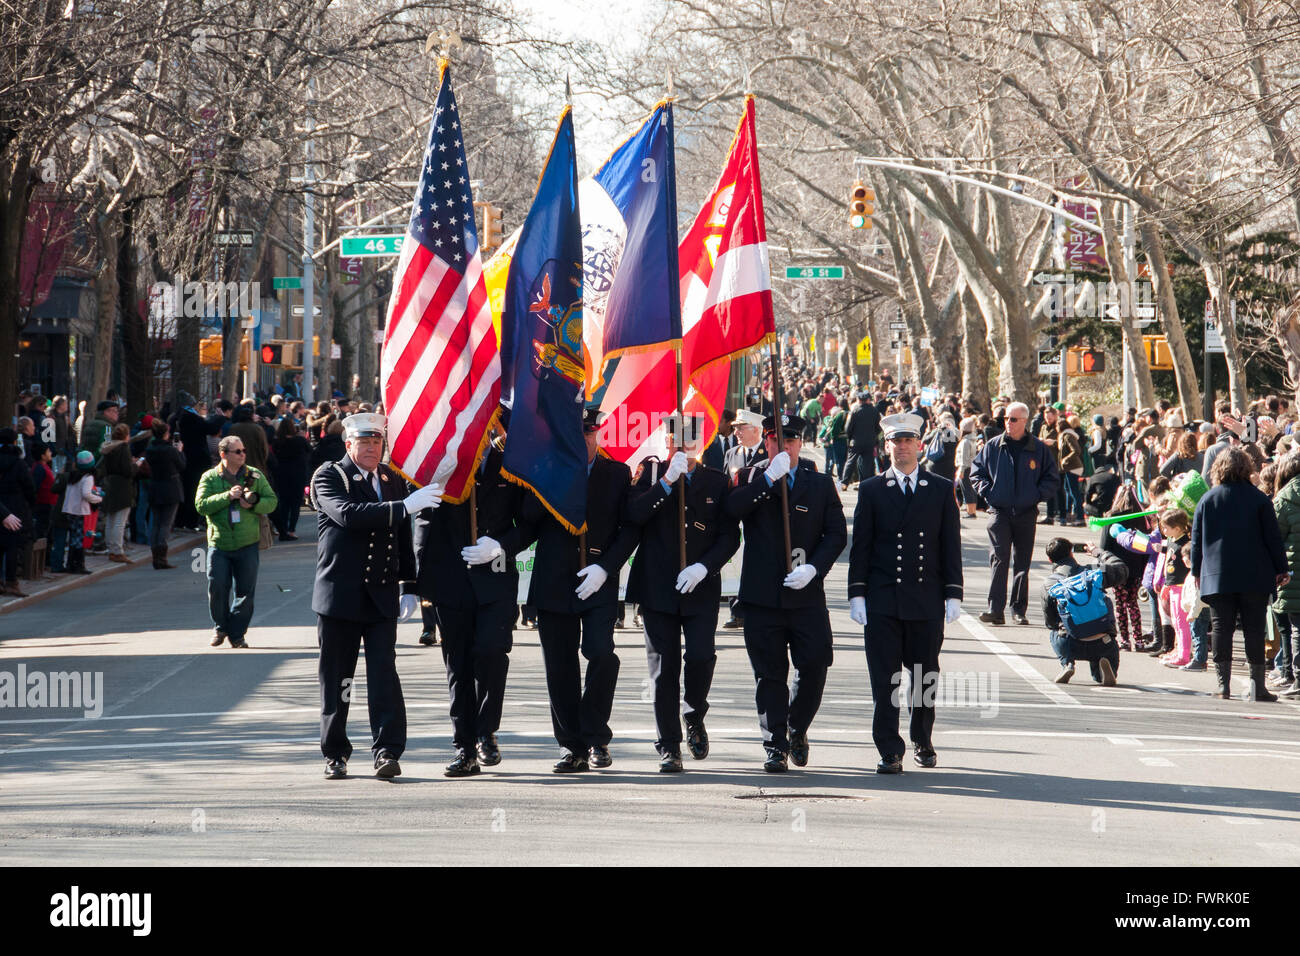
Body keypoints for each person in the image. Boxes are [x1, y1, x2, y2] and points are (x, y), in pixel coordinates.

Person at [312, 412, 436, 780]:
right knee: (339, 679)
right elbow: (348, 515)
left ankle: (387, 750)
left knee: (384, 675)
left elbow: (401, 538)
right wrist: (403, 508)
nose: (370, 448)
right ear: (348, 444)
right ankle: (335, 752)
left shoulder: (389, 478)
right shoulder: (329, 475)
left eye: (376, 442)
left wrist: (409, 585)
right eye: (363, 442)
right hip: (340, 596)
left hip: (380, 595)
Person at [516, 408, 639, 773]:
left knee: (601, 654)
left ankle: (596, 734)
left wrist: (606, 568)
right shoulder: (546, 471)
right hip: (554, 582)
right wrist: (555, 477)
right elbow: (528, 518)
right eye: (575, 434)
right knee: (560, 667)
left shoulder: (616, 473)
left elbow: (629, 529)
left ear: (597, 435)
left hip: (598, 580)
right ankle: (572, 746)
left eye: (588, 434)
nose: (583, 440)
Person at [724, 413, 847, 772]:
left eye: (791, 440)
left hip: (806, 596)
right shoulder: (749, 477)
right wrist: (768, 478)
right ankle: (775, 743)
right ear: (766, 442)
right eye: (776, 440)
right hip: (763, 597)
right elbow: (733, 510)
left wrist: (814, 568)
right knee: (769, 674)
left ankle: (797, 727)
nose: (784, 446)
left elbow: (836, 533)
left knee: (815, 664)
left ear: (800, 444)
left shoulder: (820, 484)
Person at [625, 413, 740, 772]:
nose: (682, 447)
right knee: (664, 668)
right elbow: (633, 515)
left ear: (700, 443)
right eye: (675, 440)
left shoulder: (716, 481)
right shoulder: (652, 473)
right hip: (657, 586)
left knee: (702, 656)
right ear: (666, 441)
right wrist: (666, 482)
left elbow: (729, 535)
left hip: (699, 586)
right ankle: (669, 745)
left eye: (689, 441)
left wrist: (704, 567)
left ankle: (694, 712)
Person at [848, 413, 963, 773]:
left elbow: (949, 545)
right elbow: (861, 547)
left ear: (920, 445)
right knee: (885, 680)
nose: (902, 447)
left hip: (925, 598)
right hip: (883, 600)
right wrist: (857, 594)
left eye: (908, 441)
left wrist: (953, 592)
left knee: (924, 676)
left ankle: (922, 739)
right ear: (886, 447)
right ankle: (888, 748)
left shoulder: (941, 489)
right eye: (895, 442)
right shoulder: (871, 489)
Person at [413, 408, 524, 777]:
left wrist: (502, 546)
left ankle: (487, 730)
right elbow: (422, 521)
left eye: (490, 422)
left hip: (495, 577)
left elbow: (531, 521)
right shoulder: (440, 462)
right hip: (451, 578)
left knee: (492, 652)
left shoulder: (511, 463)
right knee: (457, 664)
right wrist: (412, 583)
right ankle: (465, 746)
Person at [1191, 447, 1290, 701]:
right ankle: (1258, 687)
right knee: (1254, 630)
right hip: (1254, 574)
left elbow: (1196, 540)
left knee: (1221, 628)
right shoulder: (1259, 500)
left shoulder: (1208, 499)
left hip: (1217, 574)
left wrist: (1195, 571)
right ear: (1247, 468)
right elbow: (1273, 538)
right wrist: (1281, 568)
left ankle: (1223, 686)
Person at [969, 401, 1060, 625]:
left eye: (1012, 419)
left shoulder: (1038, 448)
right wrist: (989, 493)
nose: (1007, 423)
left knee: (1022, 563)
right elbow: (976, 473)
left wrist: (1036, 495)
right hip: (999, 512)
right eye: (1005, 419)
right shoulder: (993, 446)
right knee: (998, 560)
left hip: (1026, 513)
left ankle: (1018, 609)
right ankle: (995, 608)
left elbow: (1052, 478)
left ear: (1024, 421)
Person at [195, 435, 278, 649]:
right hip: (219, 542)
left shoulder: (254, 475)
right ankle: (220, 627)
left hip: (248, 542)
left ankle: (237, 634)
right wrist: (227, 497)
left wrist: (255, 503)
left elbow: (272, 502)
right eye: (237, 451)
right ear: (223, 454)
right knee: (217, 587)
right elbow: (201, 505)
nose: (243, 455)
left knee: (245, 592)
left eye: (243, 451)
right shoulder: (210, 477)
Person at [1041, 537, 1121, 686]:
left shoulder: (1050, 583)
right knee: (1104, 631)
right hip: (1103, 641)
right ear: (1072, 554)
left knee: (1054, 631)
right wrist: (1098, 553)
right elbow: (1120, 569)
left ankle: (1067, 663)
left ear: (1050, 560)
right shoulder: (1094, 571)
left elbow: (1050, 621)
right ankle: (1102, 670)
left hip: (1069, 641)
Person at [0, 428, 36, 596]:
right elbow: (29, 486)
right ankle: (11, 582)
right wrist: (30, 503)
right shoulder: (19, 463)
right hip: (16, 507)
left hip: (1, 507)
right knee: (12, 546)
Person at [270, 416, 311, 541]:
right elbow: (310, 450)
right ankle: (291, 529)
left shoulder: (277, 442)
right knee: (295, 504)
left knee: (283, 503)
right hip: (297, 474)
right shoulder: (300, 440)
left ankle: (283, 528)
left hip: (281, 474)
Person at [61, 450, 101, 575]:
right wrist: (99, 499)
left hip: (69, 509)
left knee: (73, 536)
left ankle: (70, 563)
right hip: (80, 510)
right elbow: (86, 494)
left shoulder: (73, 475)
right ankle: (79, 565)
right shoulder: (88, 477)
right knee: (79, 537)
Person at [844, 390, 881, 486]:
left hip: (856, 441)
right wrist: (873, 435)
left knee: (851, 461)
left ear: (859, 400)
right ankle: (865, 483)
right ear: (868, 399)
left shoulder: (855, 411)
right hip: (869, 441)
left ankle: (844, 482)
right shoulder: (875, 411)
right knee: (867, 463)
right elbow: (878, 427)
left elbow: (848, 428)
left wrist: (850, 437)